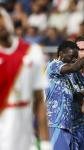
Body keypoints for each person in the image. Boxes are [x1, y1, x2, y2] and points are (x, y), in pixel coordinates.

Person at [0, 7, 51, 150]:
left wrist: (46, 142)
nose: (1, 23)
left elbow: (39, 101)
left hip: (27, 141)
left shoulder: (33, 52)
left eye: (2, 18)